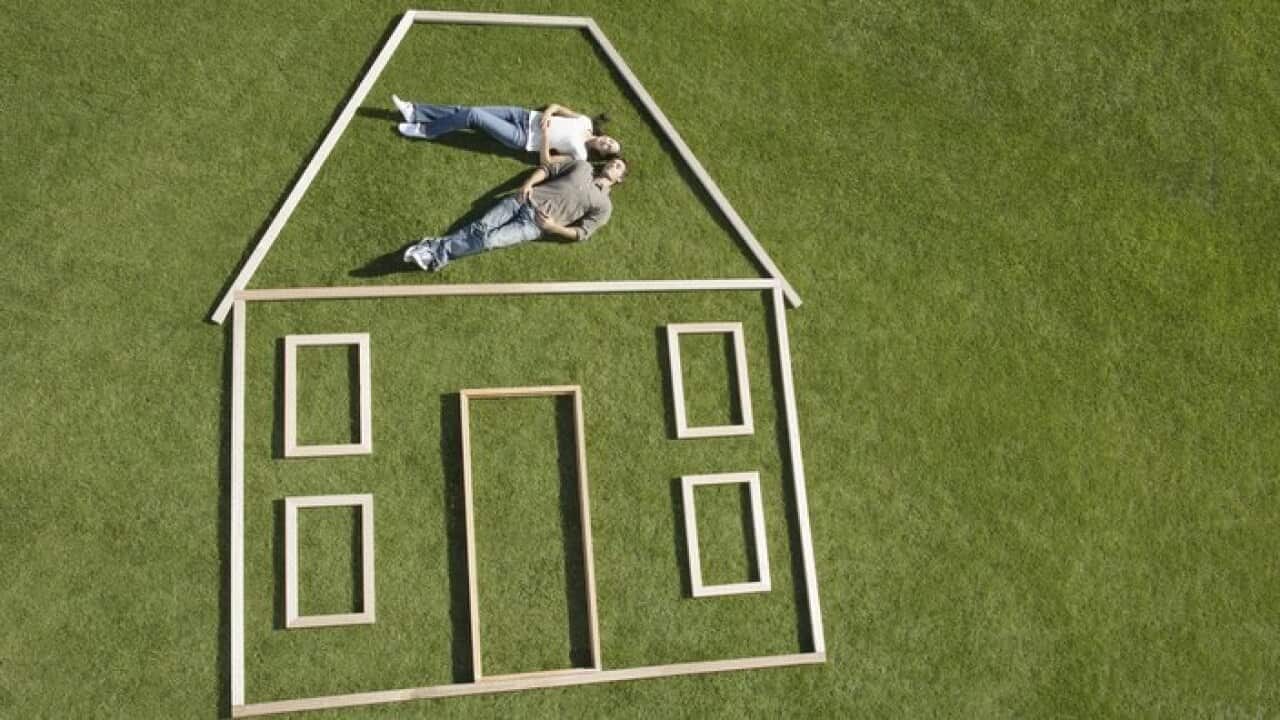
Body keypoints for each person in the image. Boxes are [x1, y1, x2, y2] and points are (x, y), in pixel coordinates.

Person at [403, 157, 628, 272]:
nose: (613, 165)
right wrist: (528, 184)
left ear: (619, 179)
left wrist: (553, 228)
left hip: (535, 225)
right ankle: (434, 255)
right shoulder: (583, 166)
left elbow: (582, 233)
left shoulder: (604, 205)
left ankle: (433, 250)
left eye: (618, 167)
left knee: (489, 240)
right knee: (479, 228)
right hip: (523, 199)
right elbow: (548, 169)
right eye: (614, 162)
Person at [391, 96, 621, 163]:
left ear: (601, 154)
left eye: (609, 148)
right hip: (523, 115)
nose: (608, 143)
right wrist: (548, 114)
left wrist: (547, 136)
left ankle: (425, 130)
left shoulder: (580, 155)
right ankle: (414, 111)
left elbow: (547, 162)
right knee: (466, 110)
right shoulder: (585, 123)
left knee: (473, 115)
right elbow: (558, 106)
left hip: (522, 138)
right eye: (611, 141)